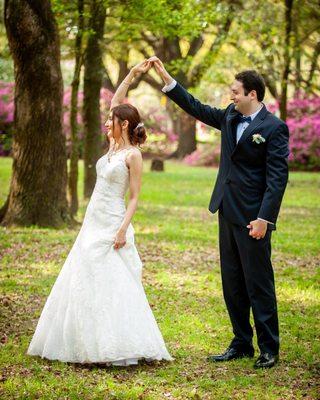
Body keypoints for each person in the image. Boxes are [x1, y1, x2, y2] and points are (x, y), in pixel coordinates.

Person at [27, 60, 173, 366]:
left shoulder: (132, 155)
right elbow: (118, 100)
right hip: (93, 219)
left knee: (111, 275)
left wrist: (122, 229)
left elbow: (134, 198)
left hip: (112, 220)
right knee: (83, 273)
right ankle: (82, 339)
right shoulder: (114, 147)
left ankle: (116, 342)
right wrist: (133, 74)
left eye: (112, 120)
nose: (107, 122)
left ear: (124, 125)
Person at [148, 56, 289, 369]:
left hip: (254, 218)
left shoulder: (275, 128)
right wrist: (166, 78)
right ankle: (241, 343)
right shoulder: (228, 116)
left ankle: (269, 348)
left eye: (236, 91)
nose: (232, 95)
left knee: (259, 283)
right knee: (233, 283)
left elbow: (277, 178)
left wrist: (265, 219)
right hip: (226, 210)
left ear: (253, 94)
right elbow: (196, 107)